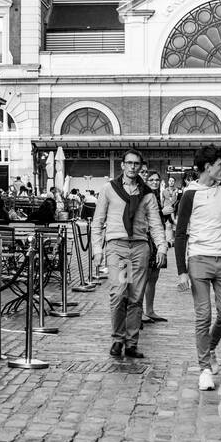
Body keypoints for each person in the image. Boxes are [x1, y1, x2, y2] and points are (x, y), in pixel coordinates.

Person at [174, 146, 221, 390]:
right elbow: (180, 234)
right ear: (208, 167)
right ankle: (204, 368)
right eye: (220, 165)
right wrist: (181, 270)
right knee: (203, 315)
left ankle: (211, 346)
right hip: (198, 260)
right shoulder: (189, 194)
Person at [93, 148, 168, 360]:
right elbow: (98, 221)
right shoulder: (110, 189)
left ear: (140, 167)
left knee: (135, 297)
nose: (133, 167)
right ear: (122, 165)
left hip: (139, 248)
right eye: (129, 163)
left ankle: (131, 343)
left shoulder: (147, 194)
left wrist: (161, 246)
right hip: (118, 247)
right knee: (119, 293)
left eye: (136, 164)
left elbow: (155, 223)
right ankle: (118, 338)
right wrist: (98, 249)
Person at [141, 170, 168, 325]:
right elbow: (144, 217)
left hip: (158, 239)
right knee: (145, 276)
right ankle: (141, 311)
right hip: (147, 239)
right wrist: (162, 212)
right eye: (151, 180)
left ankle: (150, 309)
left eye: (157, 180)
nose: (154, 182)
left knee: (154, 276)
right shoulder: (144, 196)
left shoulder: (158, 196)